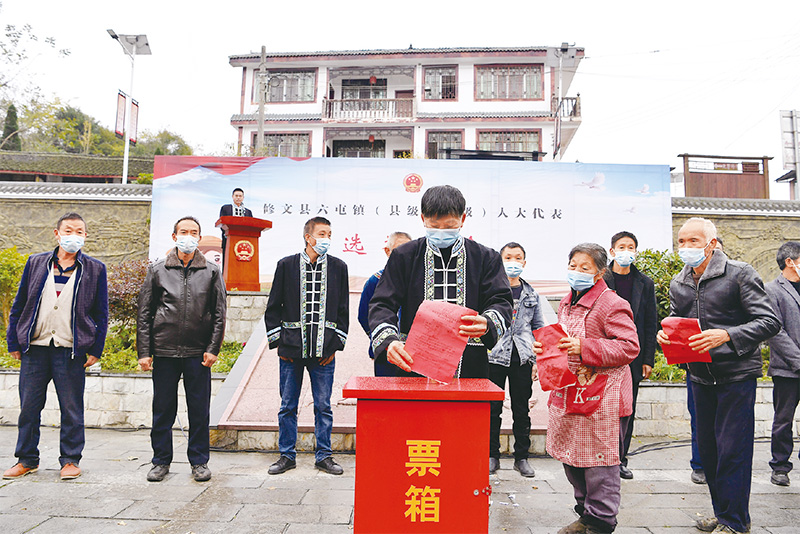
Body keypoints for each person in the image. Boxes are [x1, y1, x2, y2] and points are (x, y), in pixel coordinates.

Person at [657, 217, 780, 534]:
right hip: (699, 377)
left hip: (735, 376)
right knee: (709, 452)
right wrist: (666, 334)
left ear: (711, 244)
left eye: (693, 241)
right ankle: (723, 513)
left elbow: (769, 321)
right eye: (681, 241)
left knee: (732, 450)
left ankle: (735, 521)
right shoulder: (679, 281)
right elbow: (677, 319)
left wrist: (727, 335)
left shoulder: (739, 274)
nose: (685, 247)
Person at [535, 243, 639, 534]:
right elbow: (563, 340)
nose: (577, 272)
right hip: (572, 390)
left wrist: (584, 347)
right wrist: (544, 349)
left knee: (599, 463)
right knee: (573, 457)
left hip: (604, 397)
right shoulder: (567, 301)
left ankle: (601, 520)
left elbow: (629, 347)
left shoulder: (612, 303)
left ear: (600, 273)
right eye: (573, 266)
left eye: (585, 267)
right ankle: (585, 513)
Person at [368, 184, 513, 380]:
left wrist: (488, 322)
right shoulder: (404, 256)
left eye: (450, 226)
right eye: (434, 226)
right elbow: (382, 304)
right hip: (413, 363)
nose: (442, 232)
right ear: (422, 219)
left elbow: (501, 300)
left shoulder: (486, 258)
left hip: (470, 365)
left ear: (462, 219)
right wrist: (390, 341)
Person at [3, 213, 108, 481]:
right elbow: (19, 304)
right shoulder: (36, 263)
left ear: (86, 236)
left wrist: (96, 349)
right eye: (68, 230)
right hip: (35, 348)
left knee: (71, 408)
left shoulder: (95, 269)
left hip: (70, 349)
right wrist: (14, 340)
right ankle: (26, 459)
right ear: (57, 233)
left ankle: (70, 460)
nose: (74, 235)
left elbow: (101, 313)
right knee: (29, 407)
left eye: (79, 231)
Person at [137, 216, 227, 483]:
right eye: (183, 232)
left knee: (199, 410)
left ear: (199, 237)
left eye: (193, 232)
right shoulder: (158, 270)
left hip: (198, 353)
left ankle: (199, 461)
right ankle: (160, 461)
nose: (189, 236)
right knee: (163, 409)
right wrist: (144, 351)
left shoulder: (211, 271)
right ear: (174, 236)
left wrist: (213, 348)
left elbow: (219, 313)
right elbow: (144, 313)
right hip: (164, 351)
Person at [264, 216, 349, 476]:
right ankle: (286, 455)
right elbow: (273, 308)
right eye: (322, 234)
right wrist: (280, 345)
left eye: (329, 234)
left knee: (323, 405)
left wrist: (334, 347)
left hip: (324, 352)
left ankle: (324, 455)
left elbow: (343, 310)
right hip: (291, 351)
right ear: (308, 237)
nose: (326, 239)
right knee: (287, 405)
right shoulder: (286, 265)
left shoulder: (338, 267)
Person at [602, 231, 657, 480]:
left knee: (627, 409)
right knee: (603, 408)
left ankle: (620, 459)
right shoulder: (601, 279)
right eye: (621, 247)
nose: (626, 251)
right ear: (612, 251)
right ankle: (603, 457)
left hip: (632, 356)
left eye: (631, 247)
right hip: (603, 353)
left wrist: (648, 359)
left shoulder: (644, 283)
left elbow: (650, 322)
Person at [488, 242, 545, 477]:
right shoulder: (491, 291)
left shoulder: (532, 294)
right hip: (494, 356)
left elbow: (539, 328)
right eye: (508, 257)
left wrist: (538, 361)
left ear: (524, 262)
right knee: (492, 409)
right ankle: (492, 455)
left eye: (517, 258)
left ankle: (521, 457)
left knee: (521, 409)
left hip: (522, 357)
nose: (513, 262)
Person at [764, 241, 800, 487]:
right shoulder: (771, 290)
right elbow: (774, 331)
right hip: (787, 369)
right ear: (790, 262)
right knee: (783, 420)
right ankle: (780, 466)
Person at [357, 231, 412, 377]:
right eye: (398, 250)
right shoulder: (375, 281)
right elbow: (364, 316)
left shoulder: (416, 281)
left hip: (413, 353)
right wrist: (382, 339)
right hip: (386, 351)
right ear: (387, 251)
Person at [219, 187, 253, 267]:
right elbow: (222, 223)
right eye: (236, 196)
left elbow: (251, 226)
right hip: (228, 239)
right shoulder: (226, 208)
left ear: (243, 198)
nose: (238, 198)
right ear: (232, 196)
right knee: (227, 262)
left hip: (243, 241)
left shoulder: (248, 212)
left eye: (240, 196)